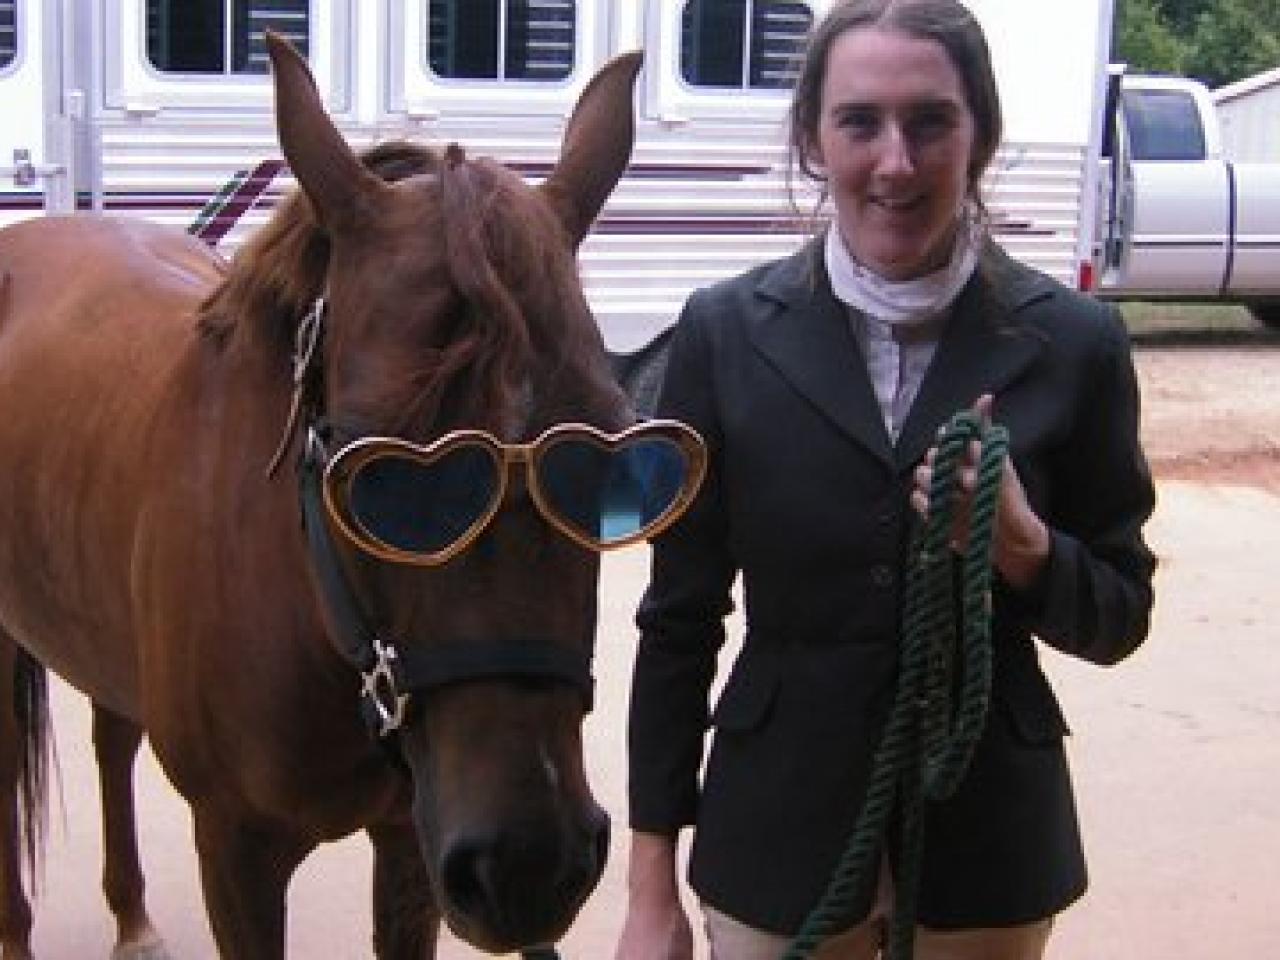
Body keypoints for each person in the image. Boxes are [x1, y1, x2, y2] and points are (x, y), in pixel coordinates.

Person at [612, 1, 1157, 958]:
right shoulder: (724, 333)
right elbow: (680, 619)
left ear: (978, 134)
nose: (895, 162)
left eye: (930, 121)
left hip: (989, 850)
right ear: (815, 139)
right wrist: (649, 884)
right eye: (860, 121)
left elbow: (1118, 614)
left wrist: (1025, 552)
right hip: (774, 839)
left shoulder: (1076, 342)